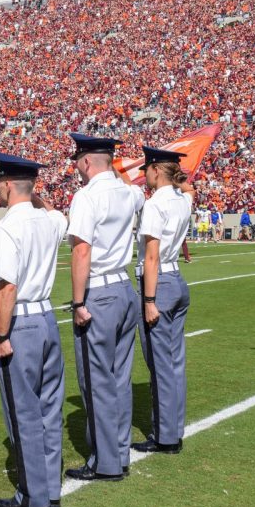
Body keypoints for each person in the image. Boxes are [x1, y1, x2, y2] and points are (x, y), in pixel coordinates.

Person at [0, 152, 68, 507]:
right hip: (49, 318)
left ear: (6, 185)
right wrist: (34, 193)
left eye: (0, 185)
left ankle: (33, 496)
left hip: (22, 323)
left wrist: (2, 337)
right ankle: (50, 489)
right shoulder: (49, 221)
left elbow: (6, 287)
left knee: (24, 413)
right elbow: (53, 212)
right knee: (51, 410)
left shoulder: (5, 228)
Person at [64, 133, 144, 482]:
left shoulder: (86, 197)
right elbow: (137, 192)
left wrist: (78, 301)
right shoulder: (129, 192)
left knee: (96, 381)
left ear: (85, 161)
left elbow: (81, 250)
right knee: (119, 378)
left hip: (98, 291)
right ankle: (120, 452)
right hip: (125, 286)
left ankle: (106, 462)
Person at [131, 145, 195, 454]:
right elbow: (188, 188)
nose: (144, 175)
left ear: (156, 170)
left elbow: (152, 256)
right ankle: (174, 429)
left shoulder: (155, 204)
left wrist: (149, 300)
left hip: (159, 282)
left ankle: (165, 436)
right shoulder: (184, 199)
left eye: (147, 169)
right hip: (177, 280)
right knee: (174, 363)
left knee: (160, 365)